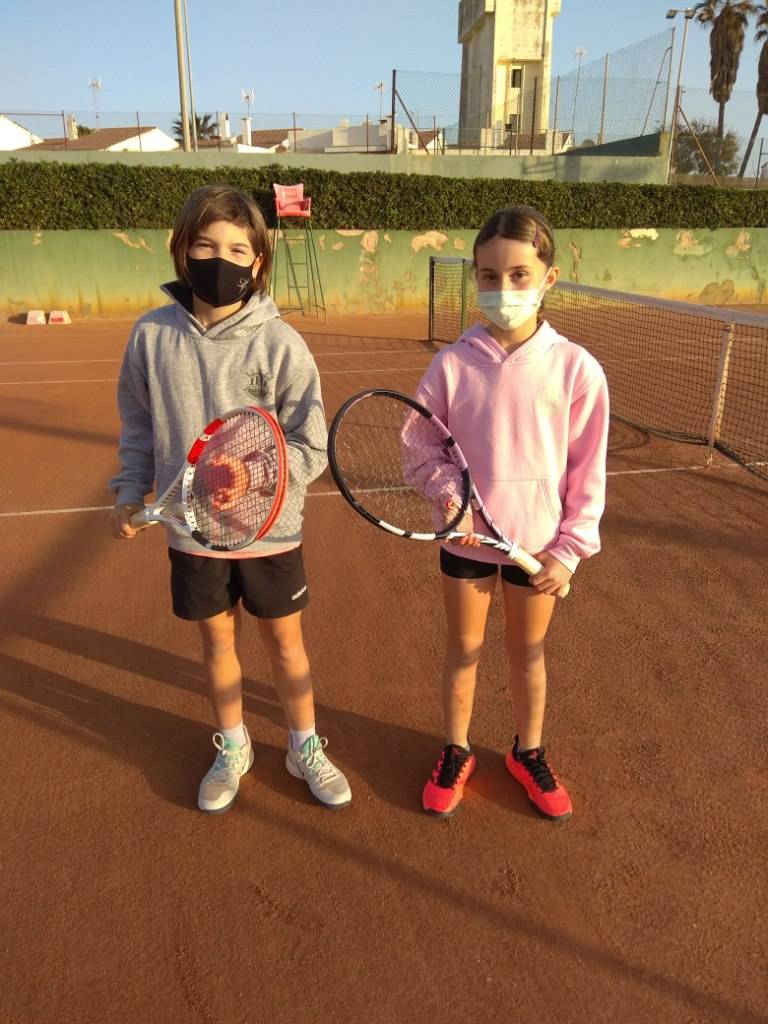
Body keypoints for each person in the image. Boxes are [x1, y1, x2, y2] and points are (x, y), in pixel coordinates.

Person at [109, 183, 351, 814]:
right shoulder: (151, 336)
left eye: (238, 250)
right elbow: (137, 426)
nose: (222, 259)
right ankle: (234, 746)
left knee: (286, 646)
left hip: (271, 531)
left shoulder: (281, 342)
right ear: (181, 251)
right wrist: (129, 491)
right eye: (206, 245)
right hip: (193, 532)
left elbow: (311, 444)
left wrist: (259, 477)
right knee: (217, 645)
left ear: (258, 261)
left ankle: (303, 746)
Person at [416, 206, 609, 822]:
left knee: (528, 653)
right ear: (475, 277)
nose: (504, 288)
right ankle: (456, 749)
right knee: (463, 648)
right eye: (490, 275)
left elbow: (587, 469)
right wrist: (452, 505)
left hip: (539, 548)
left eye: (519, 275)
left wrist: (568, 551)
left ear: (548, 278)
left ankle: (528, 753)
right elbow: (421, 445)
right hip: (465, 545)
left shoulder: (577, 369)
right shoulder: (451, 364)